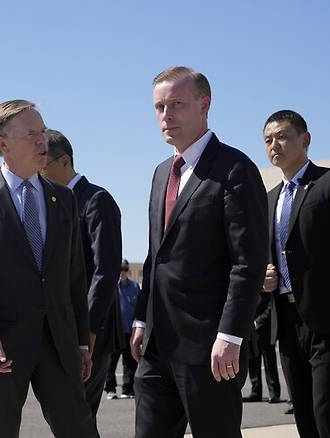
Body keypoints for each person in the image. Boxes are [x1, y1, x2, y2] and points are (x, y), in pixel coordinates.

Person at [130, 66, 268, 438]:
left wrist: (231, 335)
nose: (166, 115)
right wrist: (142, 319)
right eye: (159, 107)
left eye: (176, 104)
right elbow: (155, 256)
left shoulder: (234, 169)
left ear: (204, 105)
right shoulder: (161, 173)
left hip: (210, 348)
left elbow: (248, 262)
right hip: (157, 347)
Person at [0, 99, 94, 438]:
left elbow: (75, 277)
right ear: (3, 143)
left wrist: (82, 342)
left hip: (59, 345)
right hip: (1, 349)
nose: (42, 141)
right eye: (31, 134)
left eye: (42, 132)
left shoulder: (64, 200)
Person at [40, 129, 122, 437]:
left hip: (91, 329)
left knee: (77, 415)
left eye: (42, 162)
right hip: (62, 326)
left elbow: (106, 270)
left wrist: (87, 330)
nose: (37, 171)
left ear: (63, 161)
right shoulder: (50, 204)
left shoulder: (96, 201)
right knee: (71, 418)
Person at [262, 109, 330, 438]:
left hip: (325, 321)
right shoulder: (269, 200)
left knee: (325, 410)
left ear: (305, 140)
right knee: (303, 412)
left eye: (283, 136)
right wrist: (265, 279)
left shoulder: (326, 185)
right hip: (285, 322)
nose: (275, 144)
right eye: (268, 140)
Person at [106, 259, 139, 399]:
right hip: (115, 331)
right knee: (111, 362)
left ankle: (127, 389)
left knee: (129, 362)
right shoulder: (112, 287)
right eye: (119, 269)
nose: (122, 272)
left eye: (124, 269)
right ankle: (110, 389)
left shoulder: (135, 286)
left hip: (129, 331)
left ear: (128, 270)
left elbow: (139, 308)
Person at [243, 291, 281, 403]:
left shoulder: (267, 291)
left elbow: (270, 308)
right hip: (251, 330)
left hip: (265, 329)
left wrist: (258, 322)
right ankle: (255, 391)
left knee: (269, 361)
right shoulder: (249, 290)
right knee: (253, 360)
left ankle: (274, 393)